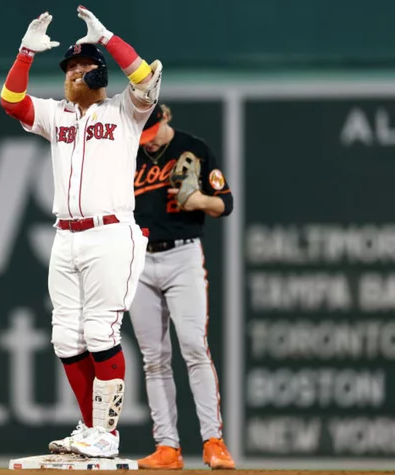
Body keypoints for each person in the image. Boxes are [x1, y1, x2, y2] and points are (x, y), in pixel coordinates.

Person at [0, 6, 162, 459]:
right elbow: (12, 102)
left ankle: (106, 435)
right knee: (66, 336)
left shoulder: (125, 112)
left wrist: (107, 38)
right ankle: (89, 427)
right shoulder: (58, 116)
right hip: (66, 235)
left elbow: (145, 79)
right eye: (69, 68)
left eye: (82, 67)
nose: (73, 74)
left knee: (100, 331)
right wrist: (25, 54)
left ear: (100, 74)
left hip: (111, 233)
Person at [129, 104, 236, 470]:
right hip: (138, 260)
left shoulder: (195, 148)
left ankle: (213, 442)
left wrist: (198, 200)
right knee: (154, 358)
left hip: (182, 257)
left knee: (193, 346)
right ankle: (167, 448)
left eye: (153, 130)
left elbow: (226, 203)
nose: (150, 140)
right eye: (143, 133)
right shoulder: (128, 150)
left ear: (166, 117)